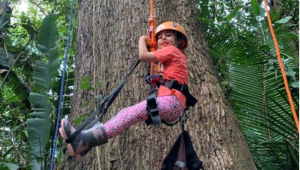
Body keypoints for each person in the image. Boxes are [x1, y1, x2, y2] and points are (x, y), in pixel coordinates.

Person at [59, 21, 193, 159]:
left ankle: (83, 140)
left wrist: (143, 39)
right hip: (172, 105)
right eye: (159, 37)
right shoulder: (171, 60)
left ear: (178, 41)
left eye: (168, 35)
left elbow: (143, 56)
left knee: (129, 114)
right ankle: (84, 144)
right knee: (126, 113)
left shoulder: (172, 50)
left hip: (170, 102)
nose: (163, 38)